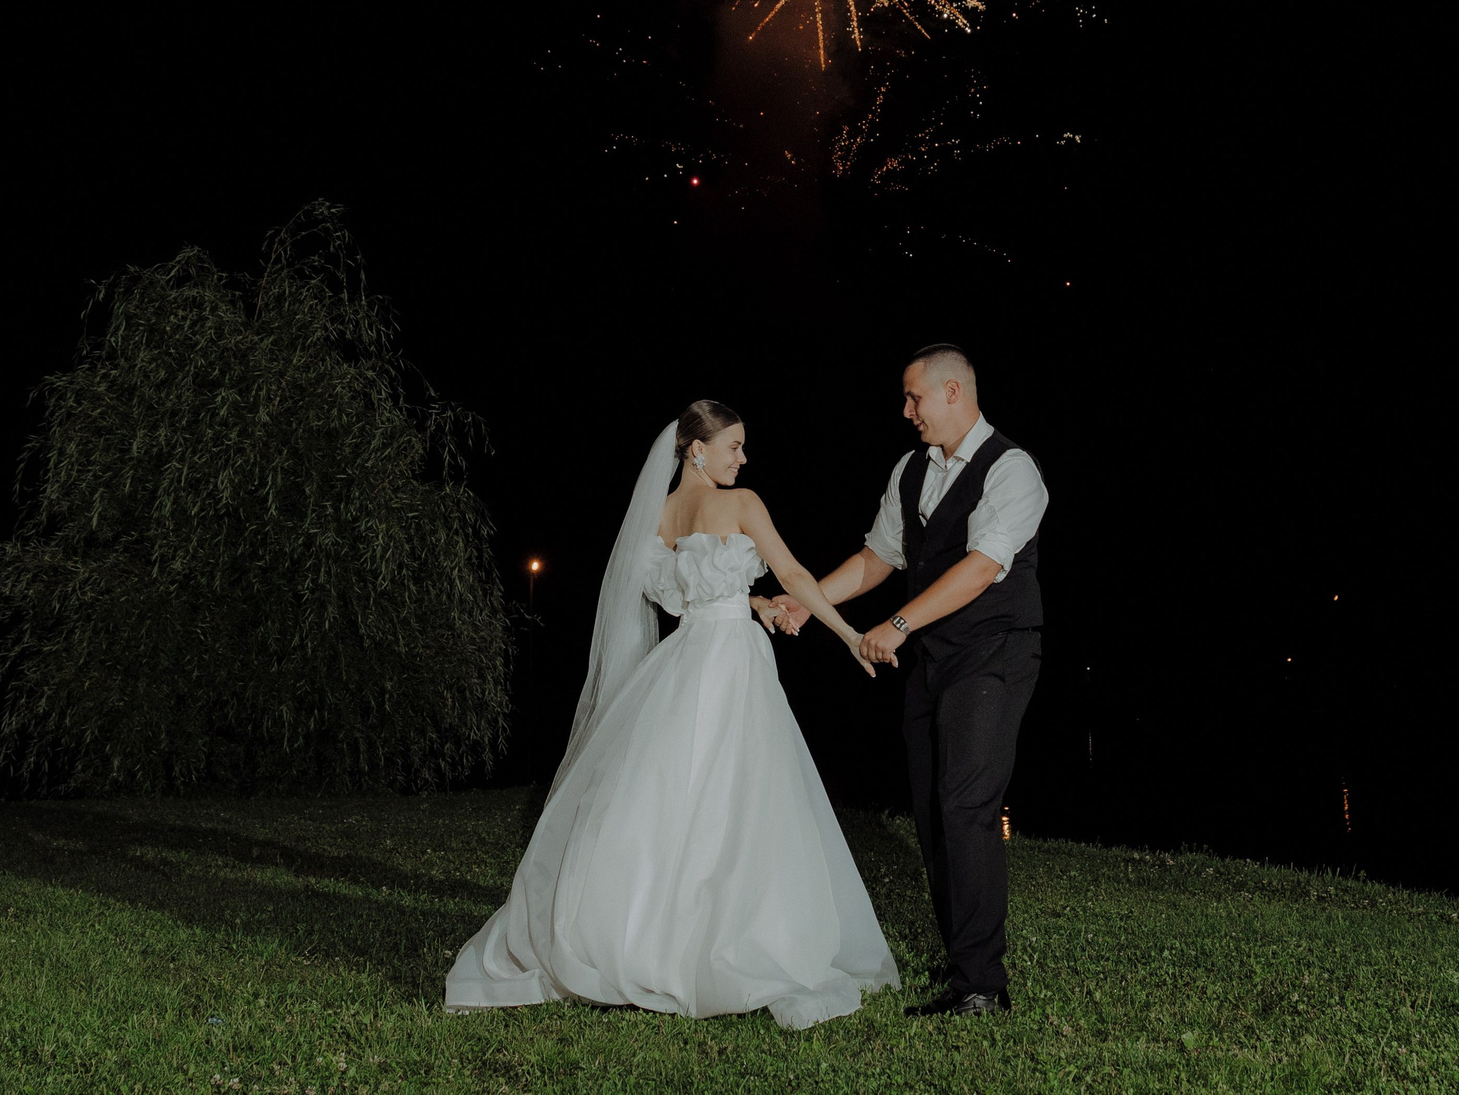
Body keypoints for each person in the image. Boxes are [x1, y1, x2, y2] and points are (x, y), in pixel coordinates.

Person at [443, 401, 898, 1028]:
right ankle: (729, 942)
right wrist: (848, 635)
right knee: (739, 799)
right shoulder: (743, 505)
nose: (744, 458)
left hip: (684, 661)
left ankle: (644, 941)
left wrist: (757, 603)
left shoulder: (654, 518)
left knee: (668, 801)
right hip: (732, 663)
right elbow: (792, 571)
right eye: (735, 446)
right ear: (697, 451)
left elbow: (689, 594)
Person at [774, 343, 1048, 1016]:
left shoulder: (1013, 470)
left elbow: (982, 566)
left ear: (953, 392)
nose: (906, 410)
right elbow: (877, 558)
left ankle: (983, 985)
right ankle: (962, 955)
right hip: (935, 661)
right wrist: (806, 605)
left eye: (914, 397)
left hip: (994, 652)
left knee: (966, 802)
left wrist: (897, 623)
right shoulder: (910, 470)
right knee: (931, 810)